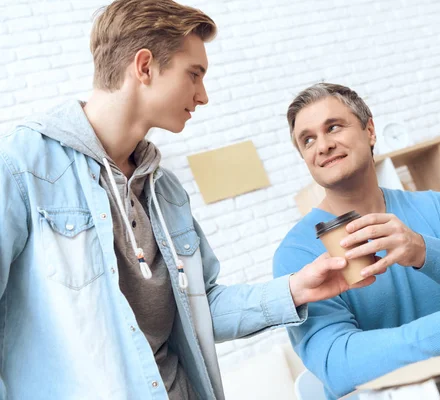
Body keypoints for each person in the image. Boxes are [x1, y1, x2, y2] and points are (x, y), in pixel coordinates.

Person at [0, 3, 374, 400]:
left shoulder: (165, 190)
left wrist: (296, 289)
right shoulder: (24, 167)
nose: (203, 96)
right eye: (193, 75)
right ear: (144, 67)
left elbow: (199, 308)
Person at [273, 83, 440, 399]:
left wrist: (423, 250)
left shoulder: (434, 206)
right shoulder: (296, 253)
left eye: (334, 127)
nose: (323, 145)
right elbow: (337, 366)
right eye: (308, 139)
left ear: (370, 130)